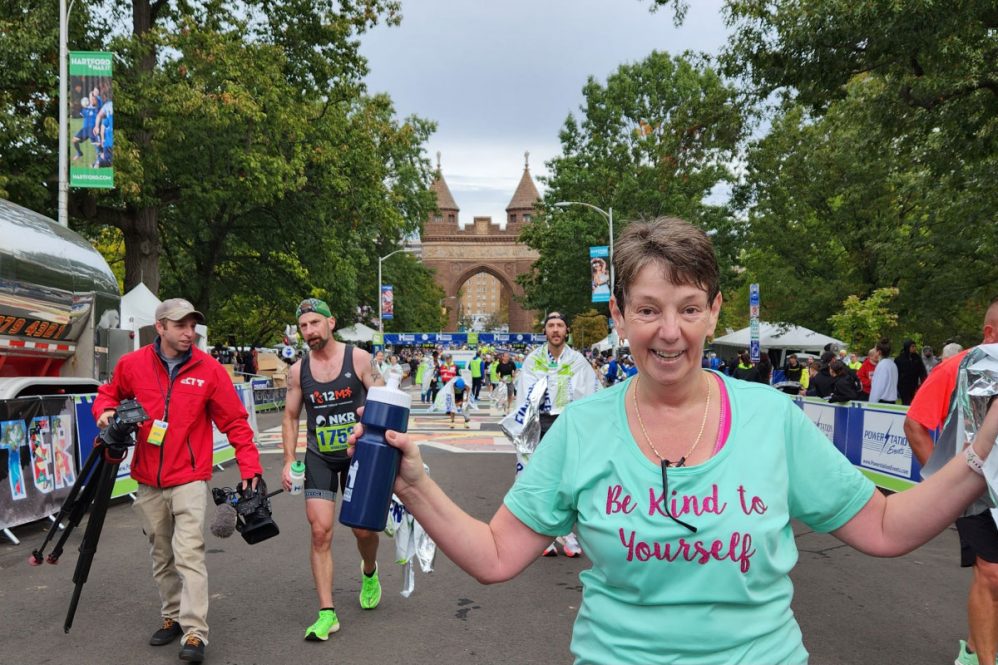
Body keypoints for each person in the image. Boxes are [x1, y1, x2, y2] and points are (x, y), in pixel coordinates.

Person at [348, 217, 998, 665]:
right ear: (621, 315)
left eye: (689, 307)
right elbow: (494, 555)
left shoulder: (772, 419)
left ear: (715, 311)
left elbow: (884, 526)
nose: (669, 330)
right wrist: (415, 481)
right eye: (650, 308)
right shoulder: (581, 430)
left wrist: (980, 453)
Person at [93, 298, 263, 664]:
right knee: (161, 552)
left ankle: (195, 632)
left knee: (190, 554)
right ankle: (171, 614)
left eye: (193, 326)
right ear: (160, 327)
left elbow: (235, 422)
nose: (189, 333)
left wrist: (250, 469)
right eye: (181, 326)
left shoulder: (210, 369)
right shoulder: (132, 364)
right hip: (147, 480)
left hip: (189, 477)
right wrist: (105, 412)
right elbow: (109, 394)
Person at [280, 298, 385, 642]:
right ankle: (327, 614)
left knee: (362, 531)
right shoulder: (298, 371)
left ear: (331, 322)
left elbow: (384, 401)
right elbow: (291, 417)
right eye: (303, 326)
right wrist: (287, 460)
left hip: (358, 455)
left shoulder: (358, 358)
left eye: (314, 323)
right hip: (319, 457)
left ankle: (369, 571)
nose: (309, 331)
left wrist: (379, 442)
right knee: (320, 532)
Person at [904, 298, 998, 665]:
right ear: (990, 333)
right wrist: (950, 488)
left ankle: (976, 648)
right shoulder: (958, 366)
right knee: (991, 574)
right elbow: (914, 425)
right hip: (974, 490)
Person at [513, 311, 600, 558]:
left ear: (566, 331)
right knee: (542, 481)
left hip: (567, 424)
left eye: (560, 325)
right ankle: (546, 536)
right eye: (551, 325)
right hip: (540, 424)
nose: (555, 329)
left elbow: (591, 394)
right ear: (545, 332)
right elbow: (524, 396)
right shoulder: (533, 360)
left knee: (568, 481)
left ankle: (565, 531)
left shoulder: (577, 361)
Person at [895, 338, 927, 405]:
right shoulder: (899, 359)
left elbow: (922, 371)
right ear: (907, 347)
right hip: (903, 385)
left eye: (915, 346)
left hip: (913, 385)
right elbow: (896, 373)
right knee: (906, 402)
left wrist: (924, 382)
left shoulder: (917, 358)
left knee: (913, 402)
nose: (914, 348)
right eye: (912, 346)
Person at [868, 338, 898, 404]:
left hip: (882, 402)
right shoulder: (893, 364)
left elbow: (878, 388)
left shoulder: (881, 366)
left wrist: (871, 403)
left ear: (879, 352)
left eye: (875, 350)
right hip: (892, 401)